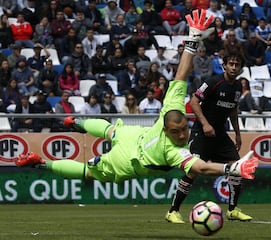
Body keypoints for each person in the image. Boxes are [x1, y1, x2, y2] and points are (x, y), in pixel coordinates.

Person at [15, 10, 258, 208]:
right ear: (166, 129)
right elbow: (201, 167)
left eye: (184, 129)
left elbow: (181, 73)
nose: (184, 135)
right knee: (88, 173)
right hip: (129, 161)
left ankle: (76, 123)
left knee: (111, 130)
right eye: (178, 133)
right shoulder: (174, 152)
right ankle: (42, 162)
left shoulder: (172, 109)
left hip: (135, 136)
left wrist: (193, 36)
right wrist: (231, 168)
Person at [165, 45, 252, 223]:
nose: (234, 67)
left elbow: (233, 110)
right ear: (224, 65)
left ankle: (233, 210)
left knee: (236, 168)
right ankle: (173, 211)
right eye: (231, 64)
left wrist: (237, 134)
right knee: (193, 171)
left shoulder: (236, 87)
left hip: (220, 134)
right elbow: (194, 101)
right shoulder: (213, 82)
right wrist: (205, 124)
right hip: (202, 133)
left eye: (237, 64)